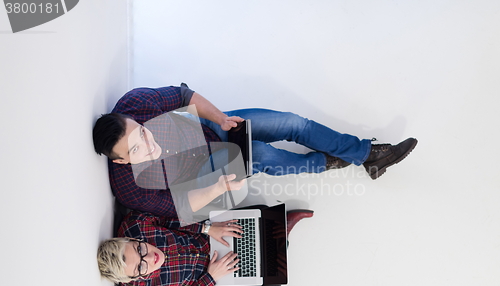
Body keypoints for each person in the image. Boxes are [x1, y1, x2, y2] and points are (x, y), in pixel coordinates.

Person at [92, 84, 417, 217]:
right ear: (121, 160)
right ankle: (327, 162)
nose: (151, 144)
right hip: (209, 169)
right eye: (138, 149)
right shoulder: (130, 189)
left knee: (292, 123)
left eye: (145, 133)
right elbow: (181, 207)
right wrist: (218, 188)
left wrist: (220, 117)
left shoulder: (136, 104)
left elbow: (184, 95)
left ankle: (365, 155)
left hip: (211, 128)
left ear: (134, 119)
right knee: (265, 156)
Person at [97, 208, 313, 286]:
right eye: (141, 267)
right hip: (202, 284)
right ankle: (279, 242)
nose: (150, 258)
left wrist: (208, 228)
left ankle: (277, 237)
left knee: (263, 214)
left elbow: (167, 220)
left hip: (204, 240)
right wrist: (210, 278)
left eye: (139, 249)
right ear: (134, 278)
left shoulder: (134, 225)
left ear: (131, 240)